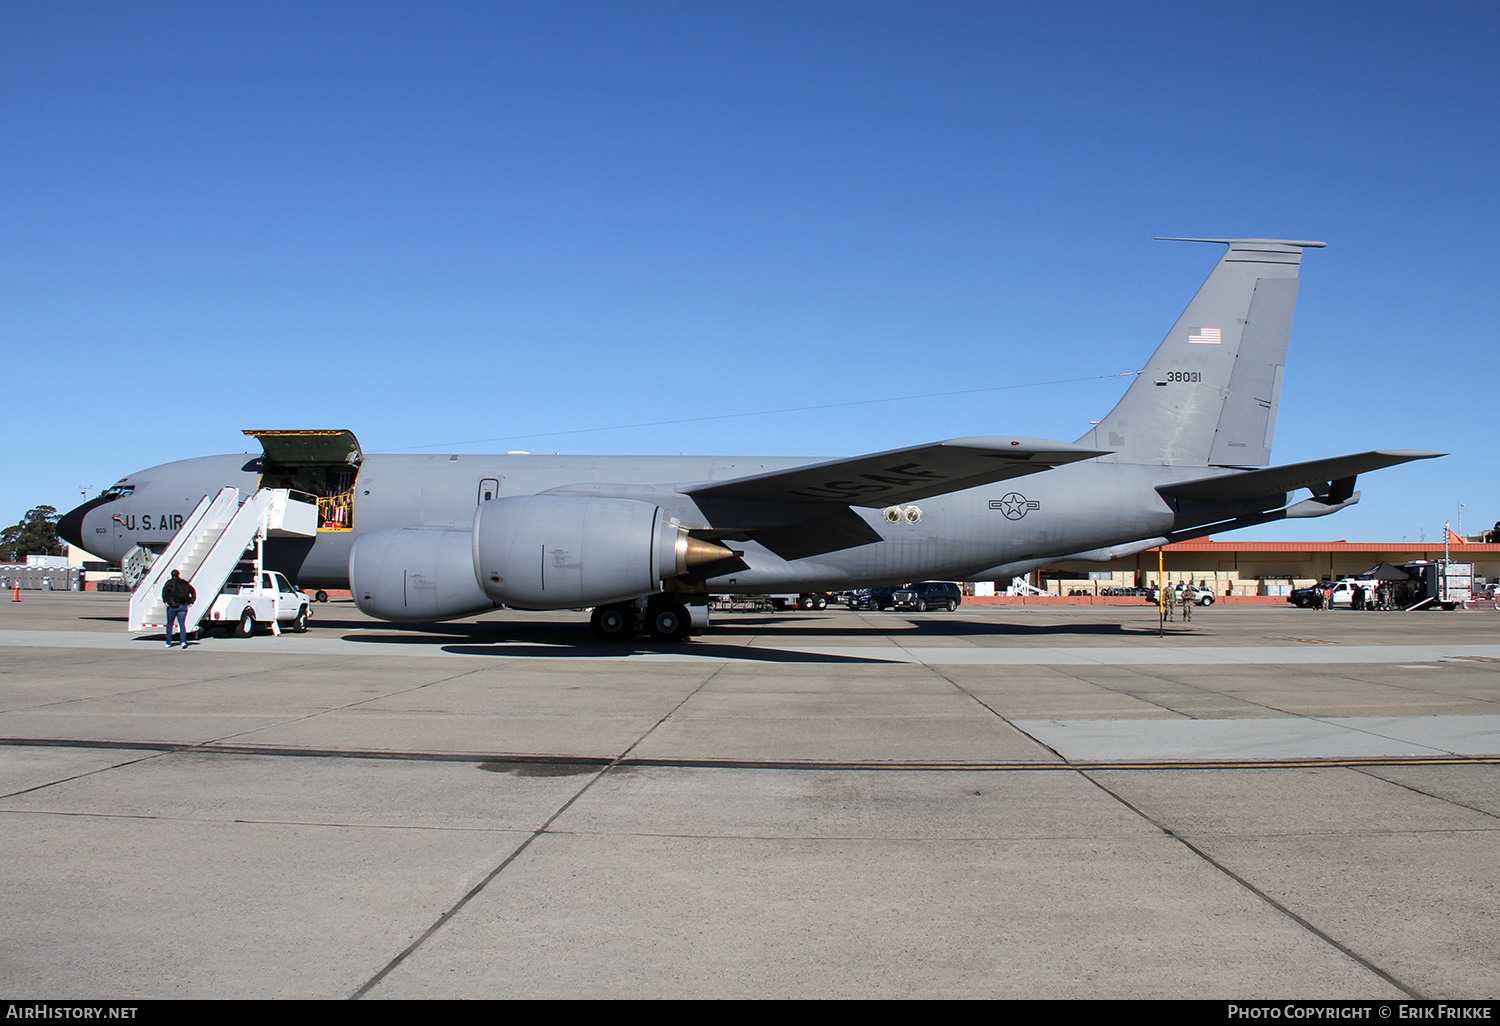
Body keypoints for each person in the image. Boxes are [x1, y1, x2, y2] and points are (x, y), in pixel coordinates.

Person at [162, 569, 195, 648]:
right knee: (182, 625)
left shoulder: (169, 583)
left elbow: (165, 593)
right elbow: (193, 592)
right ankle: (183, 642)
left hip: (172, 607)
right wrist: (190, 601)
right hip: (183, 606)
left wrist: (166, 602)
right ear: (178, 575)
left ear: (172, 575)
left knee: (170, 624)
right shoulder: (184, 583)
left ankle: (168, 642)